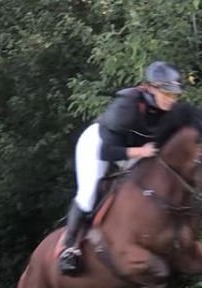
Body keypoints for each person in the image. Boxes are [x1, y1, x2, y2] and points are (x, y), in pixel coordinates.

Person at [58, 61, 184, 275]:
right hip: (98, 145)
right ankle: (68, 248)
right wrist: (141, 152)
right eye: (167, 94)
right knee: (88, 195)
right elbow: (107, 152)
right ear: (151, 88)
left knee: (148, 181)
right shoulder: (127, 104)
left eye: (174, 95)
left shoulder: (167, 111)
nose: (172, 100)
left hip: (131, 147)